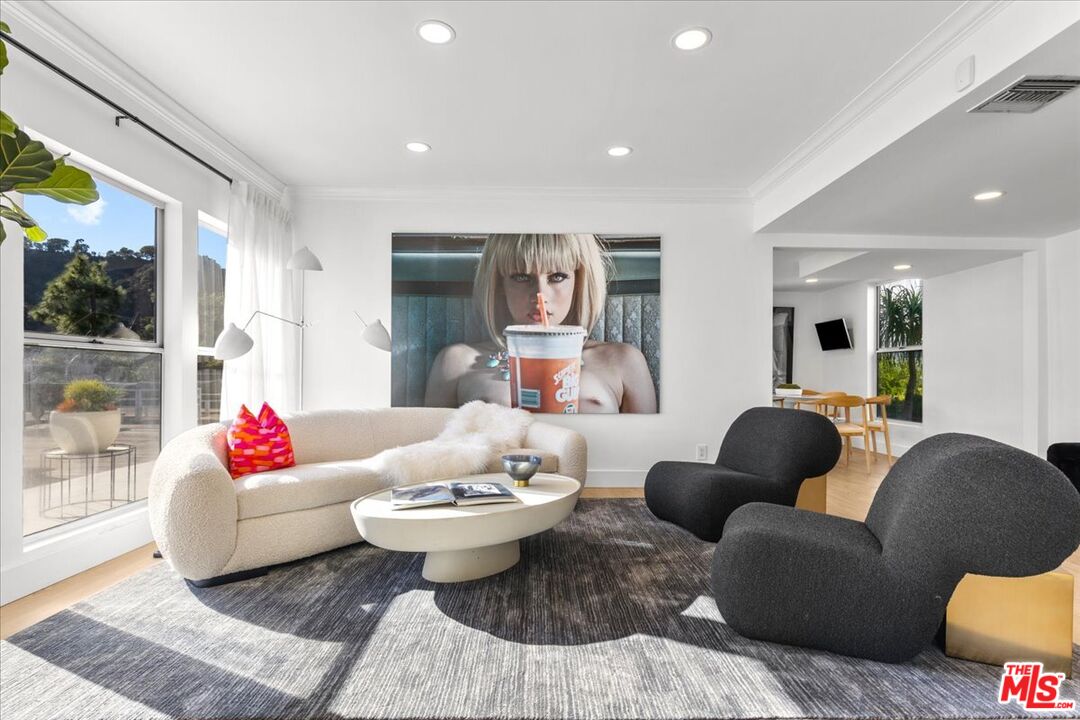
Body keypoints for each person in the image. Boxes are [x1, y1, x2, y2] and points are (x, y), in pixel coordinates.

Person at [425, 233, 657, 413]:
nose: (540, 294)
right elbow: (432, 459)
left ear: (580, 281)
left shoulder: (623, 361)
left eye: (557, 276)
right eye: (521, 277)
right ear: (500, 285)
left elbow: (649, 454)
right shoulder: (456, 362)